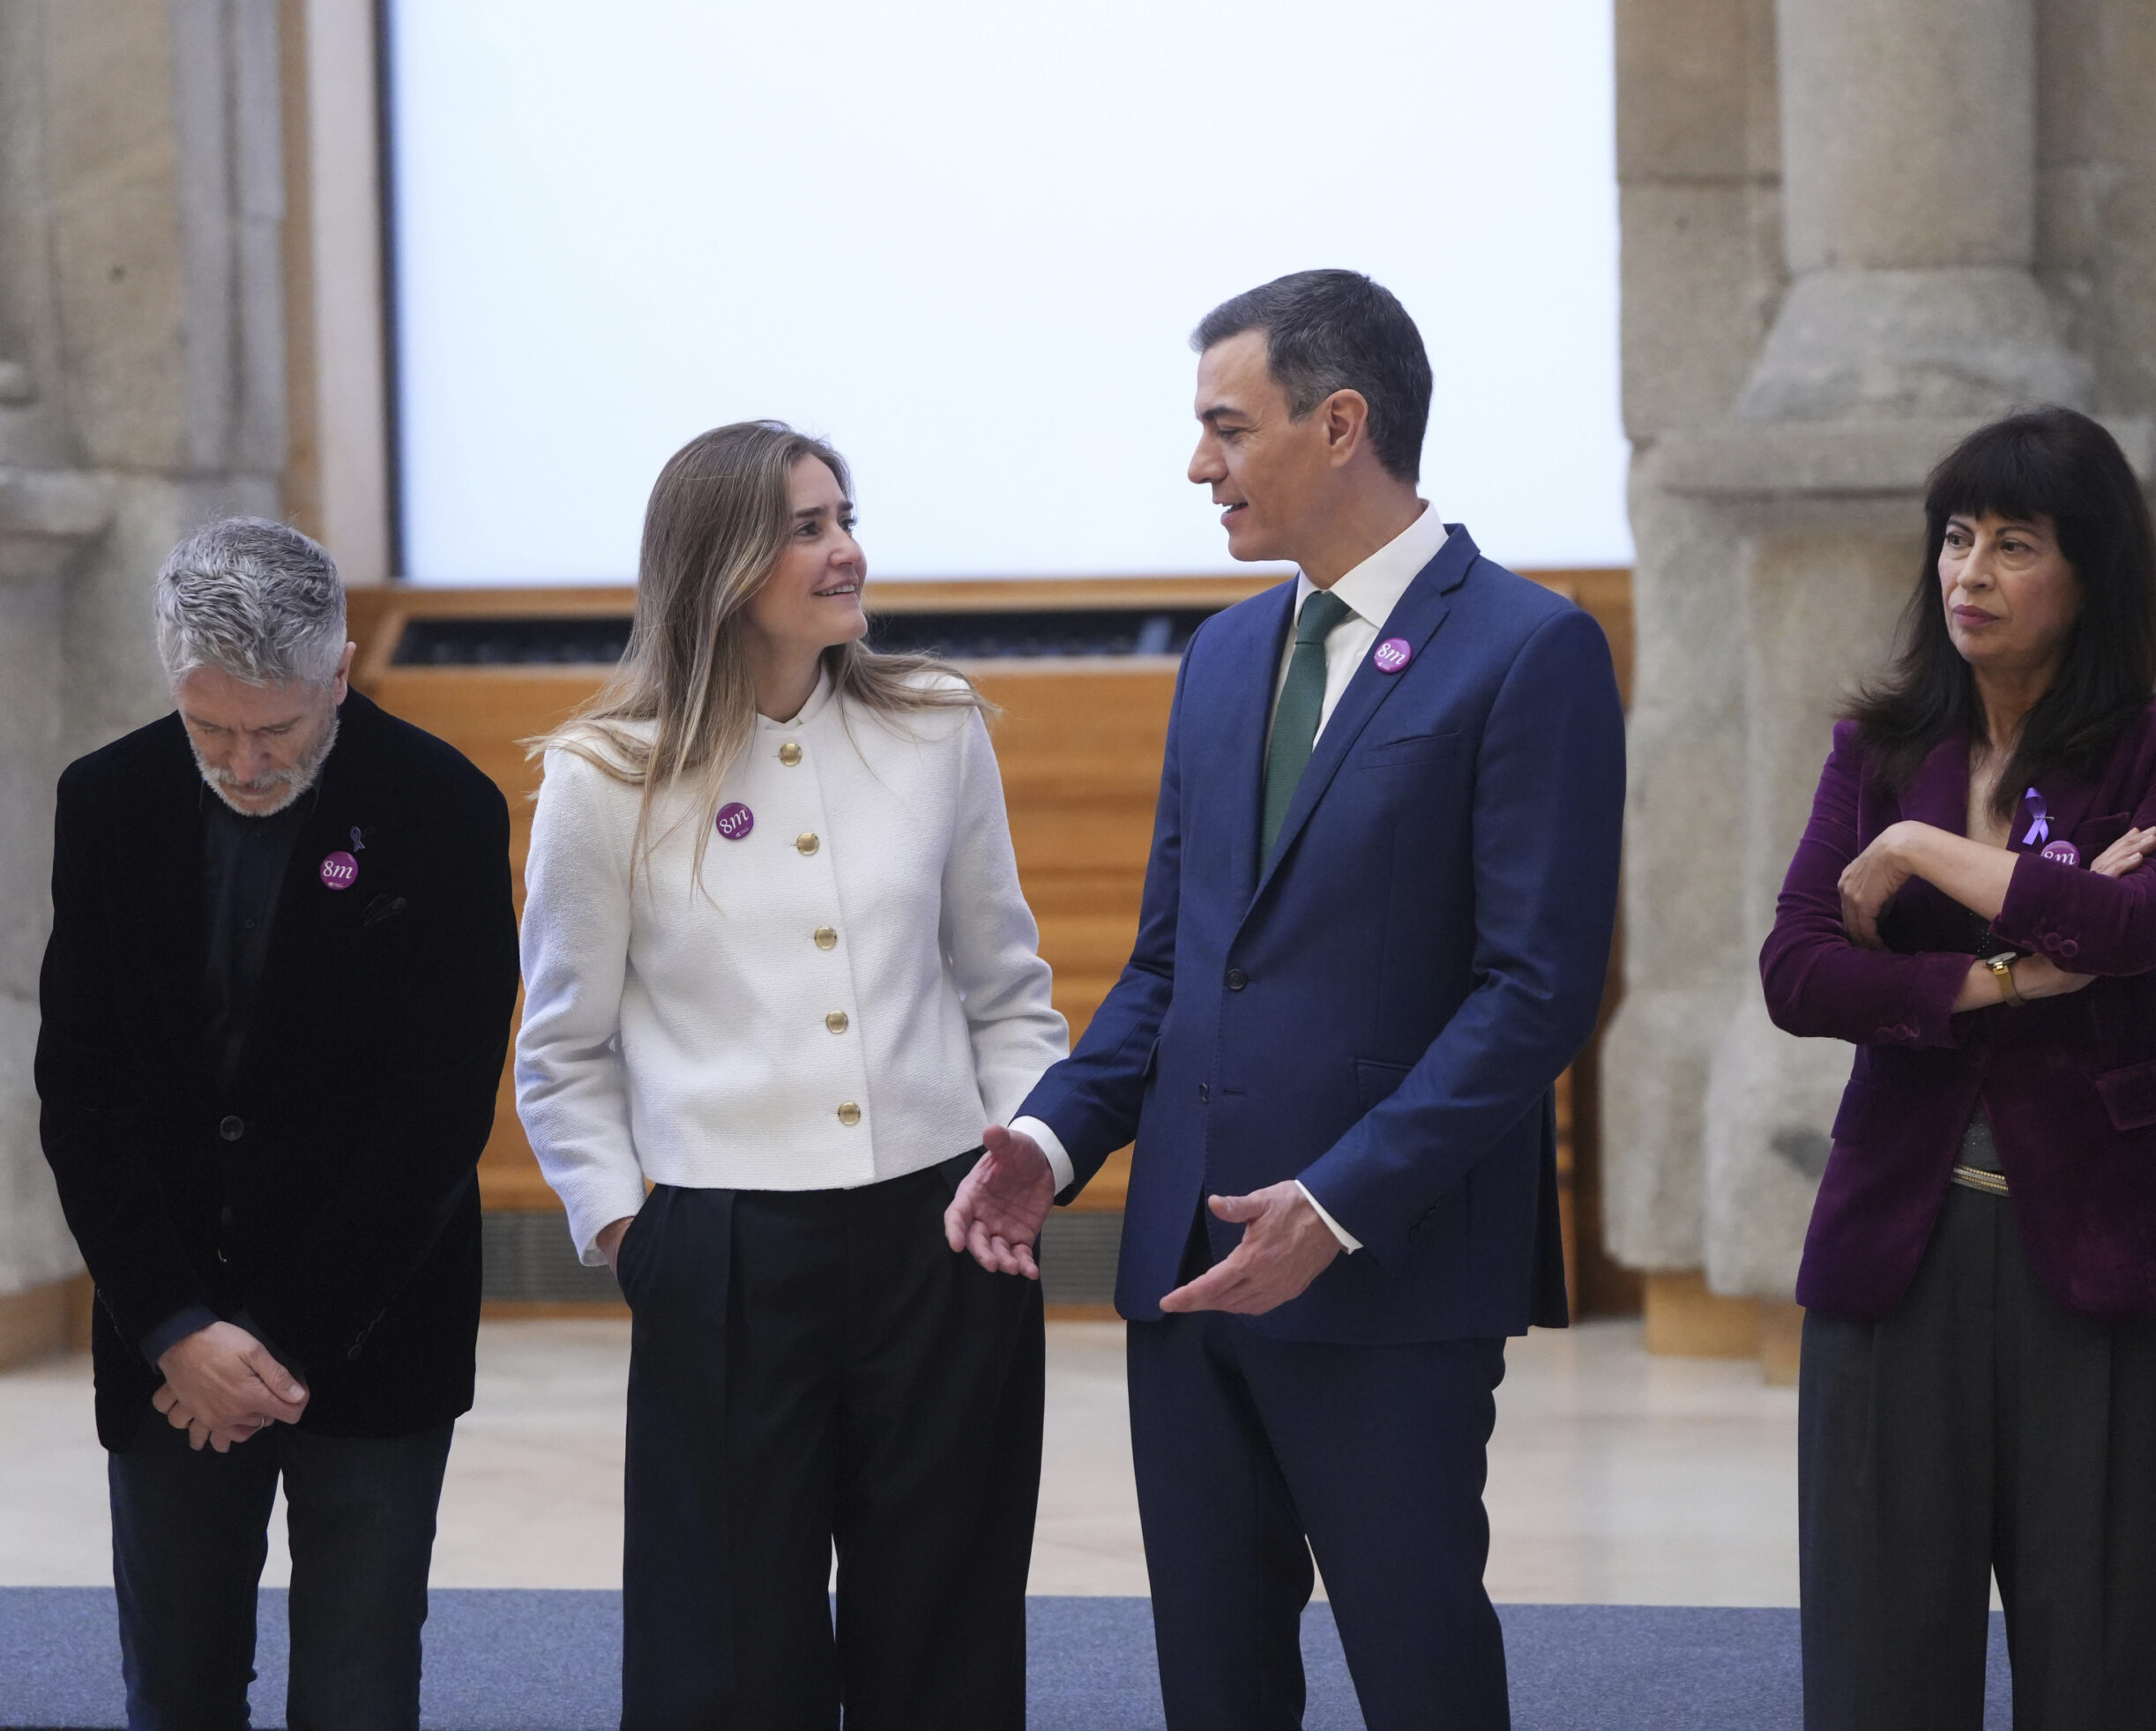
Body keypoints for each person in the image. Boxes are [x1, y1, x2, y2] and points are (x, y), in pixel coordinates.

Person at [946, 270, 1625, 1728]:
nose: (1201, 466)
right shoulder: (1226, 654)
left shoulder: (1530, 648)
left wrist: (1337, 1201)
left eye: (1227, 426)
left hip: (1386, 1274)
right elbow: (1177, 964)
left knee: (1420, 1676)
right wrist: (1053, 1139)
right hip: (1189, 1273)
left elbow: (1535, 992)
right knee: (1215, 1687)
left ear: (1340, 424)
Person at [515, 421, 1068, 1728]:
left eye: (845, 518)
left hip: (943, 1234)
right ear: (718, 563)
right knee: (727, 1651)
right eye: (807, 529)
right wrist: (628, 1230)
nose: (846, 551)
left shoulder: (936, 727)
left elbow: (1007, 986)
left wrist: (1024, 1153)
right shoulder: (603, 776)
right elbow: (561, 1049)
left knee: (945, 1628)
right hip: (722, 1253)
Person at [1760, 407, 2156, 1729]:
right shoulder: (1876, 750)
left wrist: (1919, 854)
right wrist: (2010, 973)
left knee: (2104, 1674)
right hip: (1896, 1254)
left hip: (2115, 1259)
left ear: (2090, 573)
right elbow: (1799, 974)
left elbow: (2138, 924)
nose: (1970, 572)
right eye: (1957, 537)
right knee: (1878, 1675)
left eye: (2016, 544)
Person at [35, 517, 519, 1728]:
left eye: (278, 730)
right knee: (177, 1687)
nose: (245, 764)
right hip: (169, 1343)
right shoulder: (107, 801)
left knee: (359, 1688)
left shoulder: (442, 808)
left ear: (340, 672)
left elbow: (436, 1113)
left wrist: (279, 1339)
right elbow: (82, 1090)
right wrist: (174, 1327)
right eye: (212, 728)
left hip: (373, 1324)